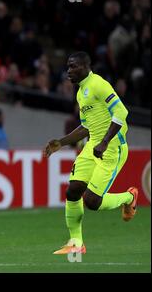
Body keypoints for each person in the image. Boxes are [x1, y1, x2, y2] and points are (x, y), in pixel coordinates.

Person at [43, 52, 138, 255]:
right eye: (68, 67)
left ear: (86, 66)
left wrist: (105, 142)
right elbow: (86, 127)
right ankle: (76, 243)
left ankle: (129, 198)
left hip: (112, 148)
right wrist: (61, 142)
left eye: (73, 66)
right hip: (92, 145)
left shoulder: (98, 85)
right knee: (73, 190)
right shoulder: (81, 92)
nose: (69, 71)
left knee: (92, 201)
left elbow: (121, 112)